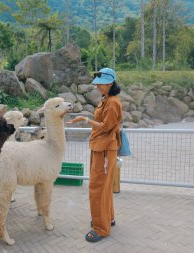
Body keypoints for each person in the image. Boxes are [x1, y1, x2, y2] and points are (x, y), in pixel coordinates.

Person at [67, 68, 122, 242]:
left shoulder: (112, 103)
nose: (98, 87)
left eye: (101, 84)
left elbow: (105, 126)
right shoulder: (107, 100)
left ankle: (101, 228)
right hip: (100, 147)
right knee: (103, 187)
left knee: (97, 189)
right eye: (97, 84)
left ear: (110, 83)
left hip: (104, 150)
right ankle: (108, 219)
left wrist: (84, 120)